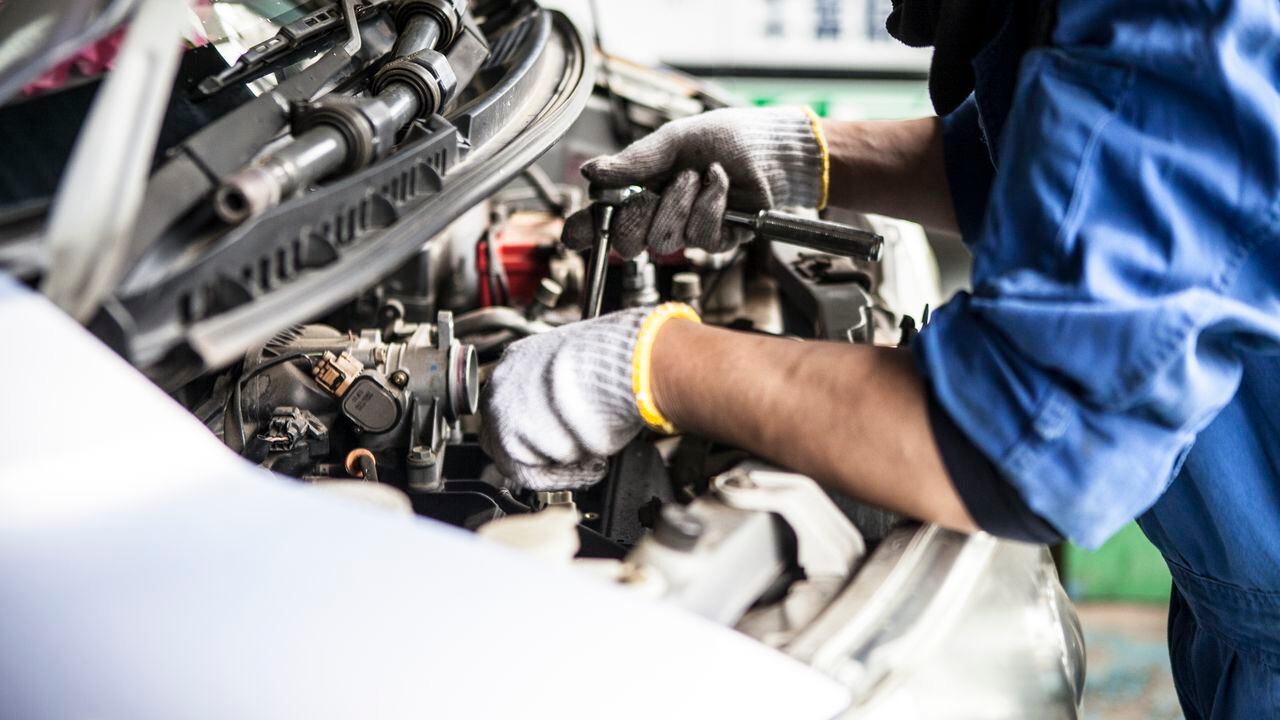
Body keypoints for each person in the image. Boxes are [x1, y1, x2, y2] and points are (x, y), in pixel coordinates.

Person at [480, 1, 1280, 715]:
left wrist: (649, 366)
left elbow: (1010, 439)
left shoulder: (1178, 15)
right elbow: (1078, 172)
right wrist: (804, 157)